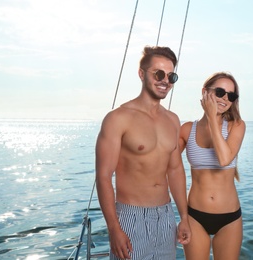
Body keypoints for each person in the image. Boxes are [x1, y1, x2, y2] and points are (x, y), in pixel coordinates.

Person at [95, 46, 191, 260]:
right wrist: (113, 228)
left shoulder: (173, 120)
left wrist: (183, 216)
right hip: (130, 217)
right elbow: (103, 177)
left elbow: (175, 170)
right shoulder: (118, 118)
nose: (165, 80)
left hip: (165, 217)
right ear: (141, 74)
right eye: (158, 74)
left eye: (171, 76)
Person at [179, 71, 246, 260]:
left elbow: (224, 159)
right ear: (205, 92)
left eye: (231, 95)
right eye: (220, 92)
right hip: (194, 216)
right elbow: (166, 166)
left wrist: (212, 119)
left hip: (229, 218)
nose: (225, 98)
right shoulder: (186, 130)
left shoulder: (237, 126)